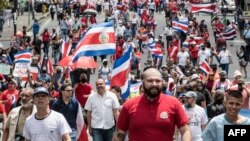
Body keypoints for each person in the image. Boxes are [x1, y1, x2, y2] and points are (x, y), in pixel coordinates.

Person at [115, 67, 191, 141]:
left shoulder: (174, 103)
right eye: (150, 81)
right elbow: (120, 133)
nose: (154, 84)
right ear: (143, 82)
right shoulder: (129, 105)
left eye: (158, 81)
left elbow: (185, 131)